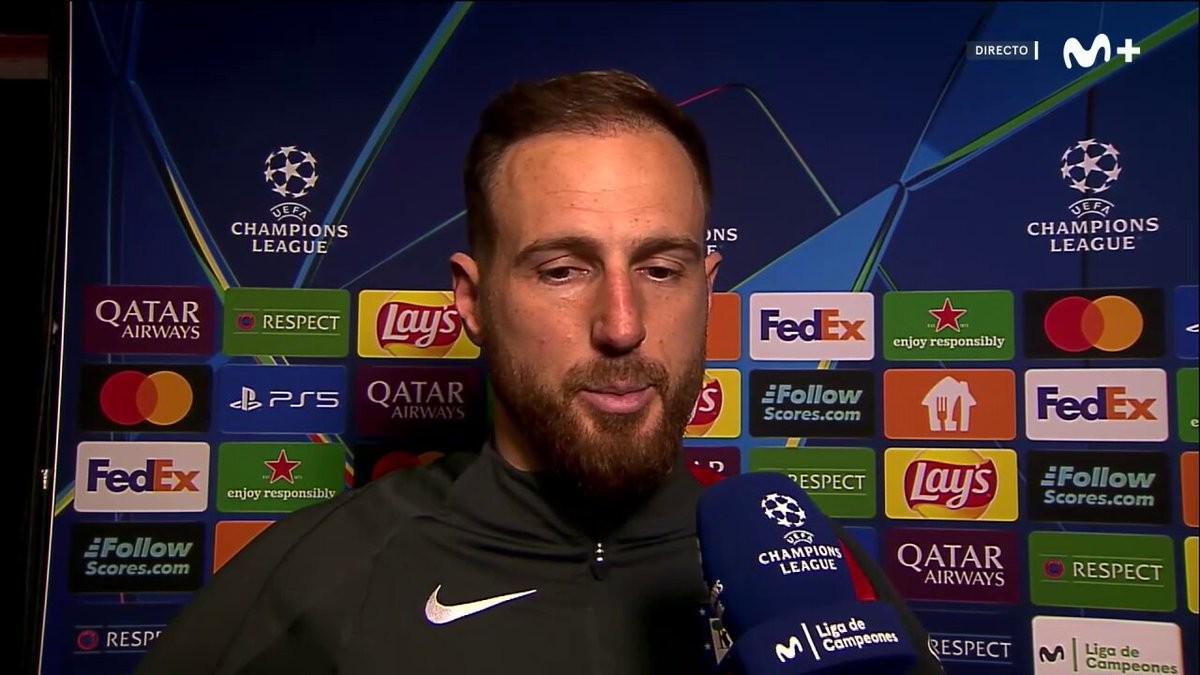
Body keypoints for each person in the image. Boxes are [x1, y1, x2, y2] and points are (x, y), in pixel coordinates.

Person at [137, 70, 939, 674]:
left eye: (661, 269)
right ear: (472, 301)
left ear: (707, 291)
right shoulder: (320, 580)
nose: (622, 324)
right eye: (562, 270)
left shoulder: (818, 577)